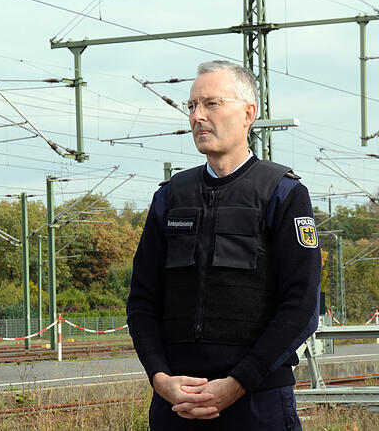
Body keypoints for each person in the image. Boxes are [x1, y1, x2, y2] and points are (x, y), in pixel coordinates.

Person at [126, 60, 321, 430]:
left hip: (258, 404)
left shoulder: (283, 194)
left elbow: (301, 305)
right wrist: (160, 378)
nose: (198, 116)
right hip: (177, 405)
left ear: (249, 113)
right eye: (192, 106)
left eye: (211, 104)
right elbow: (142, 301)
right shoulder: (170, 198)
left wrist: (239, 383)